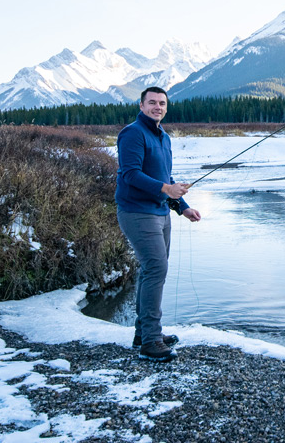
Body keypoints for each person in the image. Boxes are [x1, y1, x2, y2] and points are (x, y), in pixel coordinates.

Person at [115, 86, 201, 362]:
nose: (157, 107)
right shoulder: (132, 133)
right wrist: (165, 188)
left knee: (150, 271)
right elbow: (130, 175)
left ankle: (144, 333)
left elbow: (166, 177)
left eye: (162, 103)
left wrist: (183, 207)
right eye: (152, 103)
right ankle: (151, 342)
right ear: (141, 106)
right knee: (156, 269)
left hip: (161, 213)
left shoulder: (163, 136)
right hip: (137, 212)